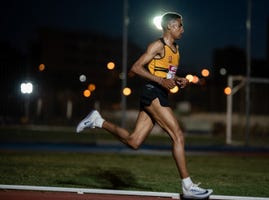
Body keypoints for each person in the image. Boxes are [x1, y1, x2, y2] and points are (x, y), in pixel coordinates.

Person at [76, 12, 213, 199]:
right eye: (180, 26)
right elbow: (135, 68)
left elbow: (167, 75)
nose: (183, 29)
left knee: (134, 142)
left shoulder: (176, 48)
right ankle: (188, 186)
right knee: (178, 135)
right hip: (152, 92)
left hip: (159, 93)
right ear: (169, 27)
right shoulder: (158, 45)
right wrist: (160, 81)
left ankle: (98, 121)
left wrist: (178, 80)